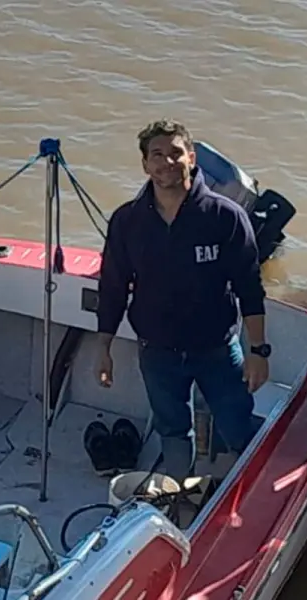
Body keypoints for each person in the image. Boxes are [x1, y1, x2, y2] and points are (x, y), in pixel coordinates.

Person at [95, 119, 270, 482]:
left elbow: (249, 286)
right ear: (145, 165)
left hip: (218, 351)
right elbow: (113, 286)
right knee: (172, 430)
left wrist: (258, 351)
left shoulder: (225, 217)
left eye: (175, 153)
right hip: (157, 352)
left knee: (237, 426)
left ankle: (250, 490)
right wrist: (103, 348)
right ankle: (179, 496)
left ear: (192, 157)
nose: (166, 162)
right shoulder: (127, 221)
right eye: (156, 155)